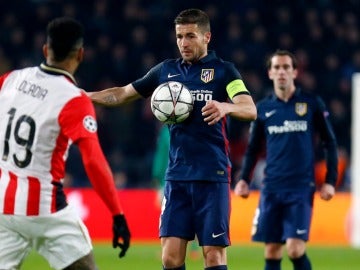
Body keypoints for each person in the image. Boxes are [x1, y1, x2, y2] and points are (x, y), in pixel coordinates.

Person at [88, 8, 257, 270]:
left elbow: (250, 108)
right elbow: (121, 94)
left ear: (206, 36)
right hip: (177, 176)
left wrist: (227, 107)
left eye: (190, 36)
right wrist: (81, 96)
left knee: (213, 256)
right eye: (179, 36)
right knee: (170, 258)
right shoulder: (165, 71)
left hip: (211, 174)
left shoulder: (224, 72)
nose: (183, 43)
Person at [0, 17, 130, 270]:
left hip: (3, 206)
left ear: (45, 50)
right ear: (80, 54)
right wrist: (117, 213)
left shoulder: (10, 80)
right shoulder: (74, 99)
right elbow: (93, 160)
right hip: (46, 210)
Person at [234, 49, 338, 270]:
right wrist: (244, 179)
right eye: (277, 68)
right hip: (271, 188)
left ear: (295, 72)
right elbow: (253, 148)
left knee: (294, 248)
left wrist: (330, 180)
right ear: (270, 73)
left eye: (286, 67)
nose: (281, 72)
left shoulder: (311, 104)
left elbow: (329, 142)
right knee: (272, 249)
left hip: (301, 187)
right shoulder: (262, 109)